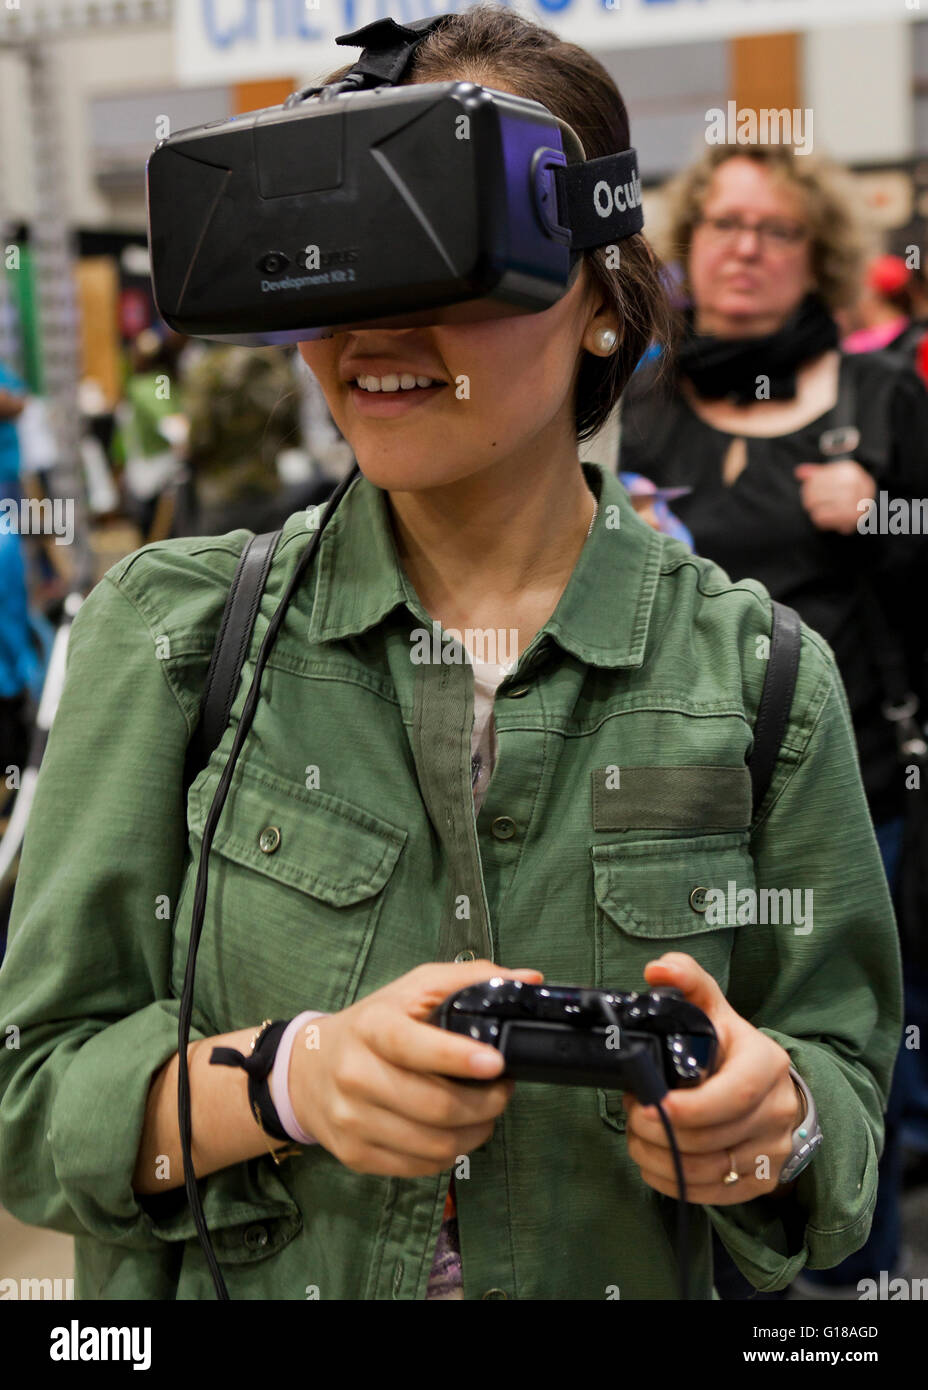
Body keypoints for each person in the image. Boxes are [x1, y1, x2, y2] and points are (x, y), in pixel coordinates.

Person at [0, 6, 903, 1301]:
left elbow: (845, 1123)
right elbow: (30, 1095)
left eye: (440, 251)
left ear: (602, 293)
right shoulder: (177, 639)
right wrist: (288, 1078)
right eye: (336, 263)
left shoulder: (761, 681)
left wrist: (778, 1125)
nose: (373, 331)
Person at [617, 141, 928, 1295]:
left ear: (818, 257)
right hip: (673, 810)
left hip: (850, 806)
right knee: (703, 1080)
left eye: (775, 228)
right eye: (723, 226)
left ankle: (851, 1300)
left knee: (847, 1077)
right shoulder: (639, 410)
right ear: (689, 250)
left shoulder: (879, 398)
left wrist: (889, 516)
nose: (744, 247)